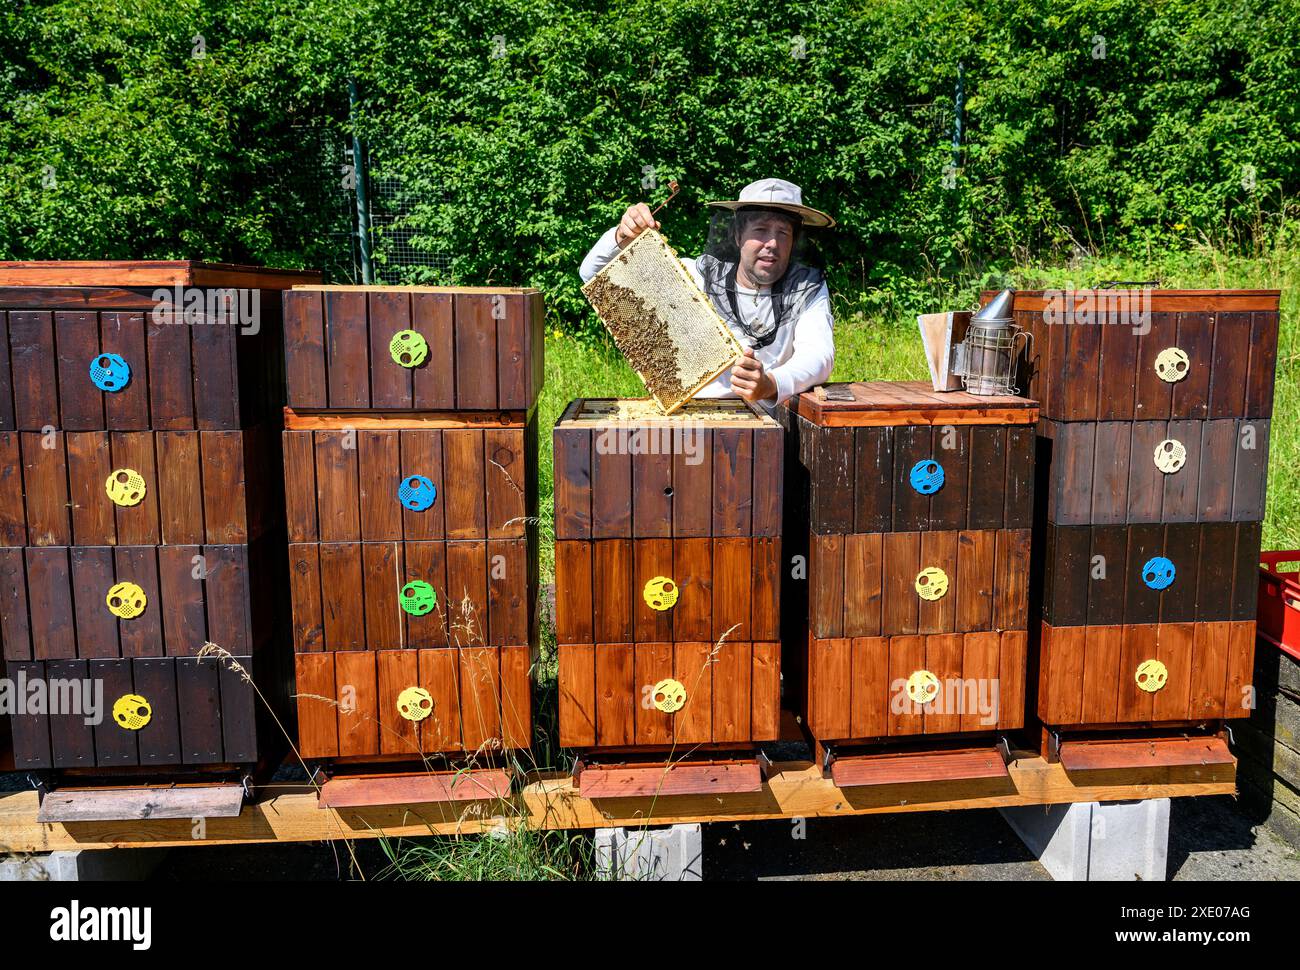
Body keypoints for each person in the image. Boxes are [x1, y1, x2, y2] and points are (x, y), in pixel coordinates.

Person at [579, 177, 835, 408]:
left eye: (783, 233)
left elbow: (818, 355)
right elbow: (592, 273)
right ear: (737, 235)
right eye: (760, 230)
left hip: (769, 425)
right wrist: (621, 234)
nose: (772, 244)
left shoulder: (806, 288)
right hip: (692, 419)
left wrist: (770, 384)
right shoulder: (694, 277)